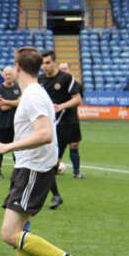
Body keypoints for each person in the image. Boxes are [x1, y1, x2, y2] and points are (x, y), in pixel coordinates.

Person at [0, 47, 91, 256]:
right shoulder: (34, 93)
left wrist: (7, 146)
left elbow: (45, 133)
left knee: (9, 234)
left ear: (18, 67)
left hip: (31, 170)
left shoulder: (33, 95)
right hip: (30, 168)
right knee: (20, 234)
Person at [39, 50, 83, 210]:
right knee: (48, 162)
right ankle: (55, 195)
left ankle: (54, 194)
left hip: (66, 124)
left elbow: (78, 99)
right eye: (42, 63)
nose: (44, 66)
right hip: (48, 126)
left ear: (55, 63)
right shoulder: (40, 80)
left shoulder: (66, 78)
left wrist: (60, 107)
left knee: (49, 162)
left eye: (47, 62)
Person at [0, 66, 21, 179]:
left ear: (14, 75)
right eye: (6, 74)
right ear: (3, 75)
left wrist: (8, 102)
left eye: (10, 74)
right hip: (4, 124)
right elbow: (2, 107)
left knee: (17, 148)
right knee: (0, 147)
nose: (8, 76)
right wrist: (15, 102)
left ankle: (18, 170)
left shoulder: (18, 87)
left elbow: (22, 102)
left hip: (17, 123)